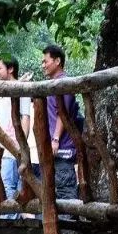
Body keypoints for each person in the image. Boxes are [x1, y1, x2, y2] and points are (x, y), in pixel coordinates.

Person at [42, 44, 82, 200]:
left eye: (46, 61)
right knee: (56, 194)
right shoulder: (52, 85)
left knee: (66, 193)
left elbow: (62, 114)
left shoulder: (64, 83)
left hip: (63, 148)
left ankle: (69, 224)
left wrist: (55, 139)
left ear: (57, 61)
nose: (43, 65)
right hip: (55, 150)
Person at [0, 56, 32, 200]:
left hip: (13, 148)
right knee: (5, 186)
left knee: (9, 186)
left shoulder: (22, 89)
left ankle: (9, 220)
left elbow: (25, 118)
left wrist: (21, 145)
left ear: (10, 69)